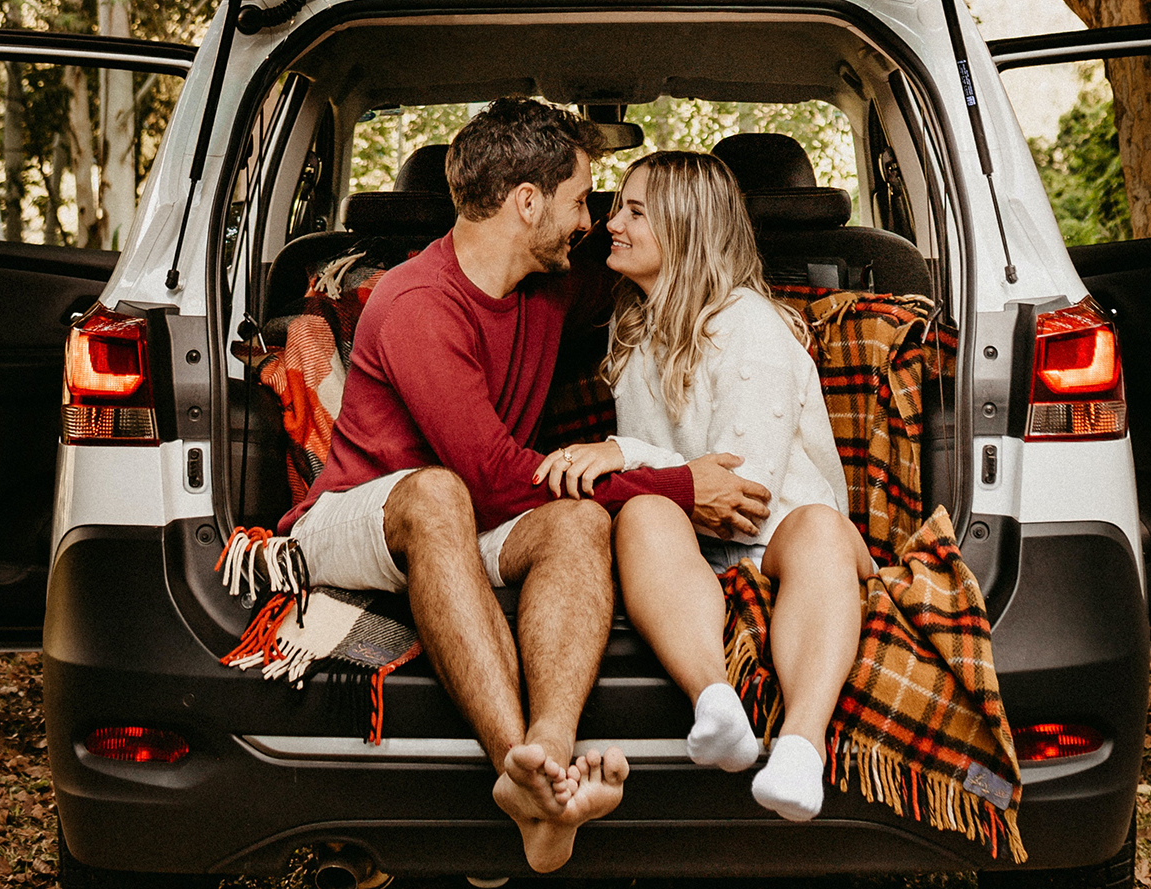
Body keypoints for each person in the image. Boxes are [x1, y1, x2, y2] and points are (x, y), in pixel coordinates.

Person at [276, 101, 772, 872]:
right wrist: (676, 484)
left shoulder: (555, 283)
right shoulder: (415, 303)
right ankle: (522, 776)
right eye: (582, 199)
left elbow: (678, 265)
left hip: (471, 510)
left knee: (578, 521)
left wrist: (765, 317)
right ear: (528, 202)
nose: (593, 221)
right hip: (359, 510)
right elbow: (491, 478)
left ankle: (548, 753)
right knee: (439, 491)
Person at [534, 151, 872, 822]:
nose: (611, 224)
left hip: (779, 531)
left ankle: (802, 747)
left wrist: (620, 452)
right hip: (697, 542)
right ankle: (715, 703)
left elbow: (744, 496)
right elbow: (679, 492)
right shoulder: (636, 328)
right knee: (641, 514)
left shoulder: (749, 323)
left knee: (823, 531)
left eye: (633, 211)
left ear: (685, 226)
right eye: (615, 208)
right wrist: (636, 475)